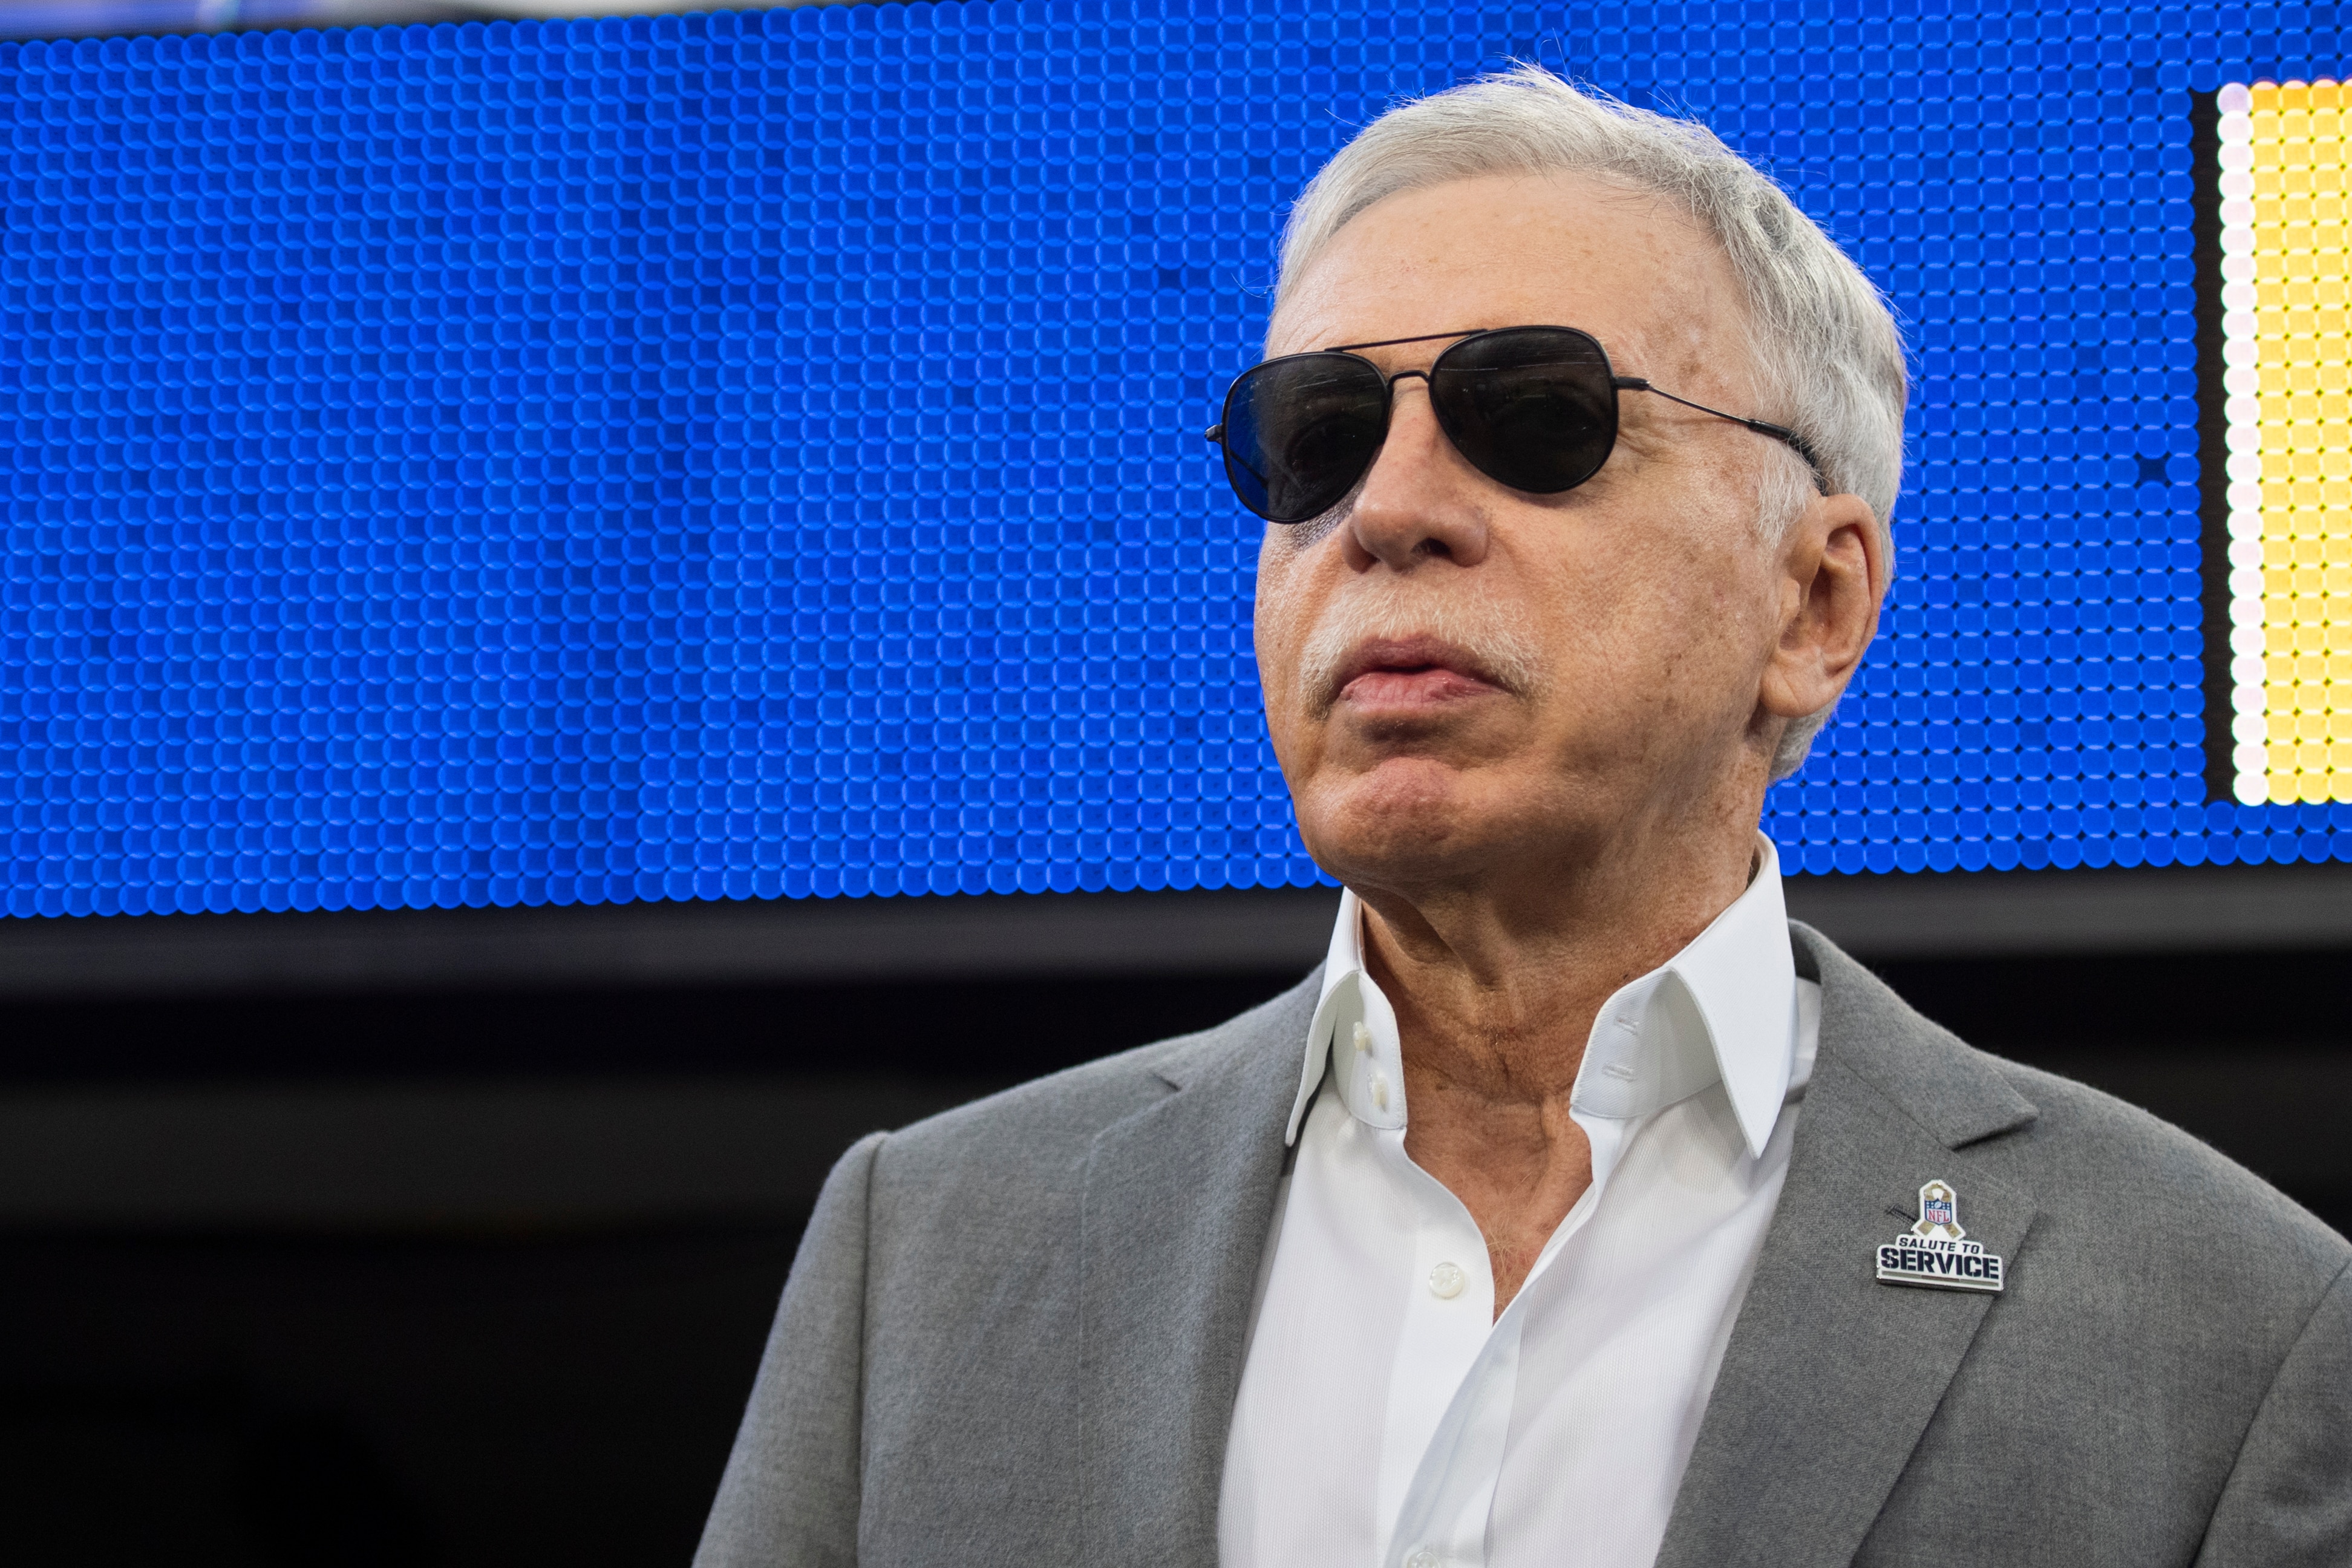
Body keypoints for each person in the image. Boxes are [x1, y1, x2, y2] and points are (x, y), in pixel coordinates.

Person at [696, 67, 2351, 1568]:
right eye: (1317, 439)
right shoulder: (922, 1255)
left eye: (1536, 418)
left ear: (1816, 603)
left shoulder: (2238, 1328)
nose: (1388, 511)